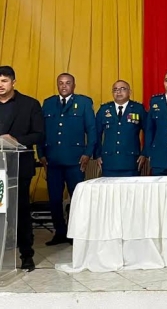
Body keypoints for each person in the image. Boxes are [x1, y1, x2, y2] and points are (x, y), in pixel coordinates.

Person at [37, 73, 96, 246]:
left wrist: (88, 153)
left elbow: (91, 130)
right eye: (61, 83)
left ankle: (76, 233)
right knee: (54, 199)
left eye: (67, 83)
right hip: (53, 160)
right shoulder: (48, 103)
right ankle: (60, 232)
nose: (64, 86)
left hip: (75, 161)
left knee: (77, 199)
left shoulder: (84, 102)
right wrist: (41, 154)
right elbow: (41, 131)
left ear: (74, 85)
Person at [0, 66, 44, 271]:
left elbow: (39, 135)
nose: (1, 85)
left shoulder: (30, 105)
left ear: (14, 82)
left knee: (20, 211)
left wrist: (16, 140)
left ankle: (26, 254)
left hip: (18, 168)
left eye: (5, 81)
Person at [95, 80, 148, 177]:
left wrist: (144, 153)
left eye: (122, 89)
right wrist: (97, 154)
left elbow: (149, 132)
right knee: (109, 192)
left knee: (130, 192)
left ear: (130, 92)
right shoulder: (104, 109)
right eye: (115, 90)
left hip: (131, 161)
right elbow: (96, 134)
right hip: (108, 161)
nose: (118, 92)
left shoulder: (138, 109)